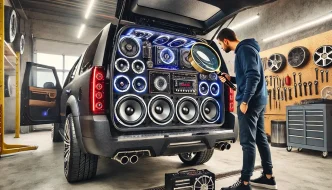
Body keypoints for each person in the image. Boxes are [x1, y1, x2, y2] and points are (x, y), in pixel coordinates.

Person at [217, 28, 277, 190]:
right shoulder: (249, 49)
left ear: (226, 41)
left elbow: (254, 76)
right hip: (258, 100)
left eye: (221, 44)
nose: (222, 48)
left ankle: (244, 183)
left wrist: (245, 100)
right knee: (260, 139)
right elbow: (247, 76)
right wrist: (231, 78)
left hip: (250, 103)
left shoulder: (244, 50)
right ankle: (268, 176)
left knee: (247, 142)